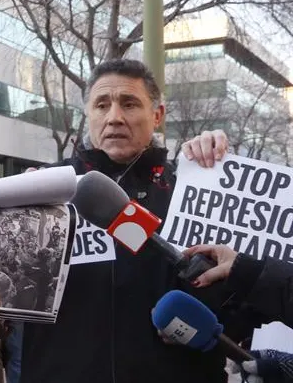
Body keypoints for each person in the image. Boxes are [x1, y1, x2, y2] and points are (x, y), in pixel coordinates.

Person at [19, 59, 249, 383]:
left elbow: (237, 310)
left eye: (129, 103)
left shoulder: (192, 190)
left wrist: (216, 170)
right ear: (88, 114)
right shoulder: (45, 190)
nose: (114, 117)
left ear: (157, 116)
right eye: (102, 105)